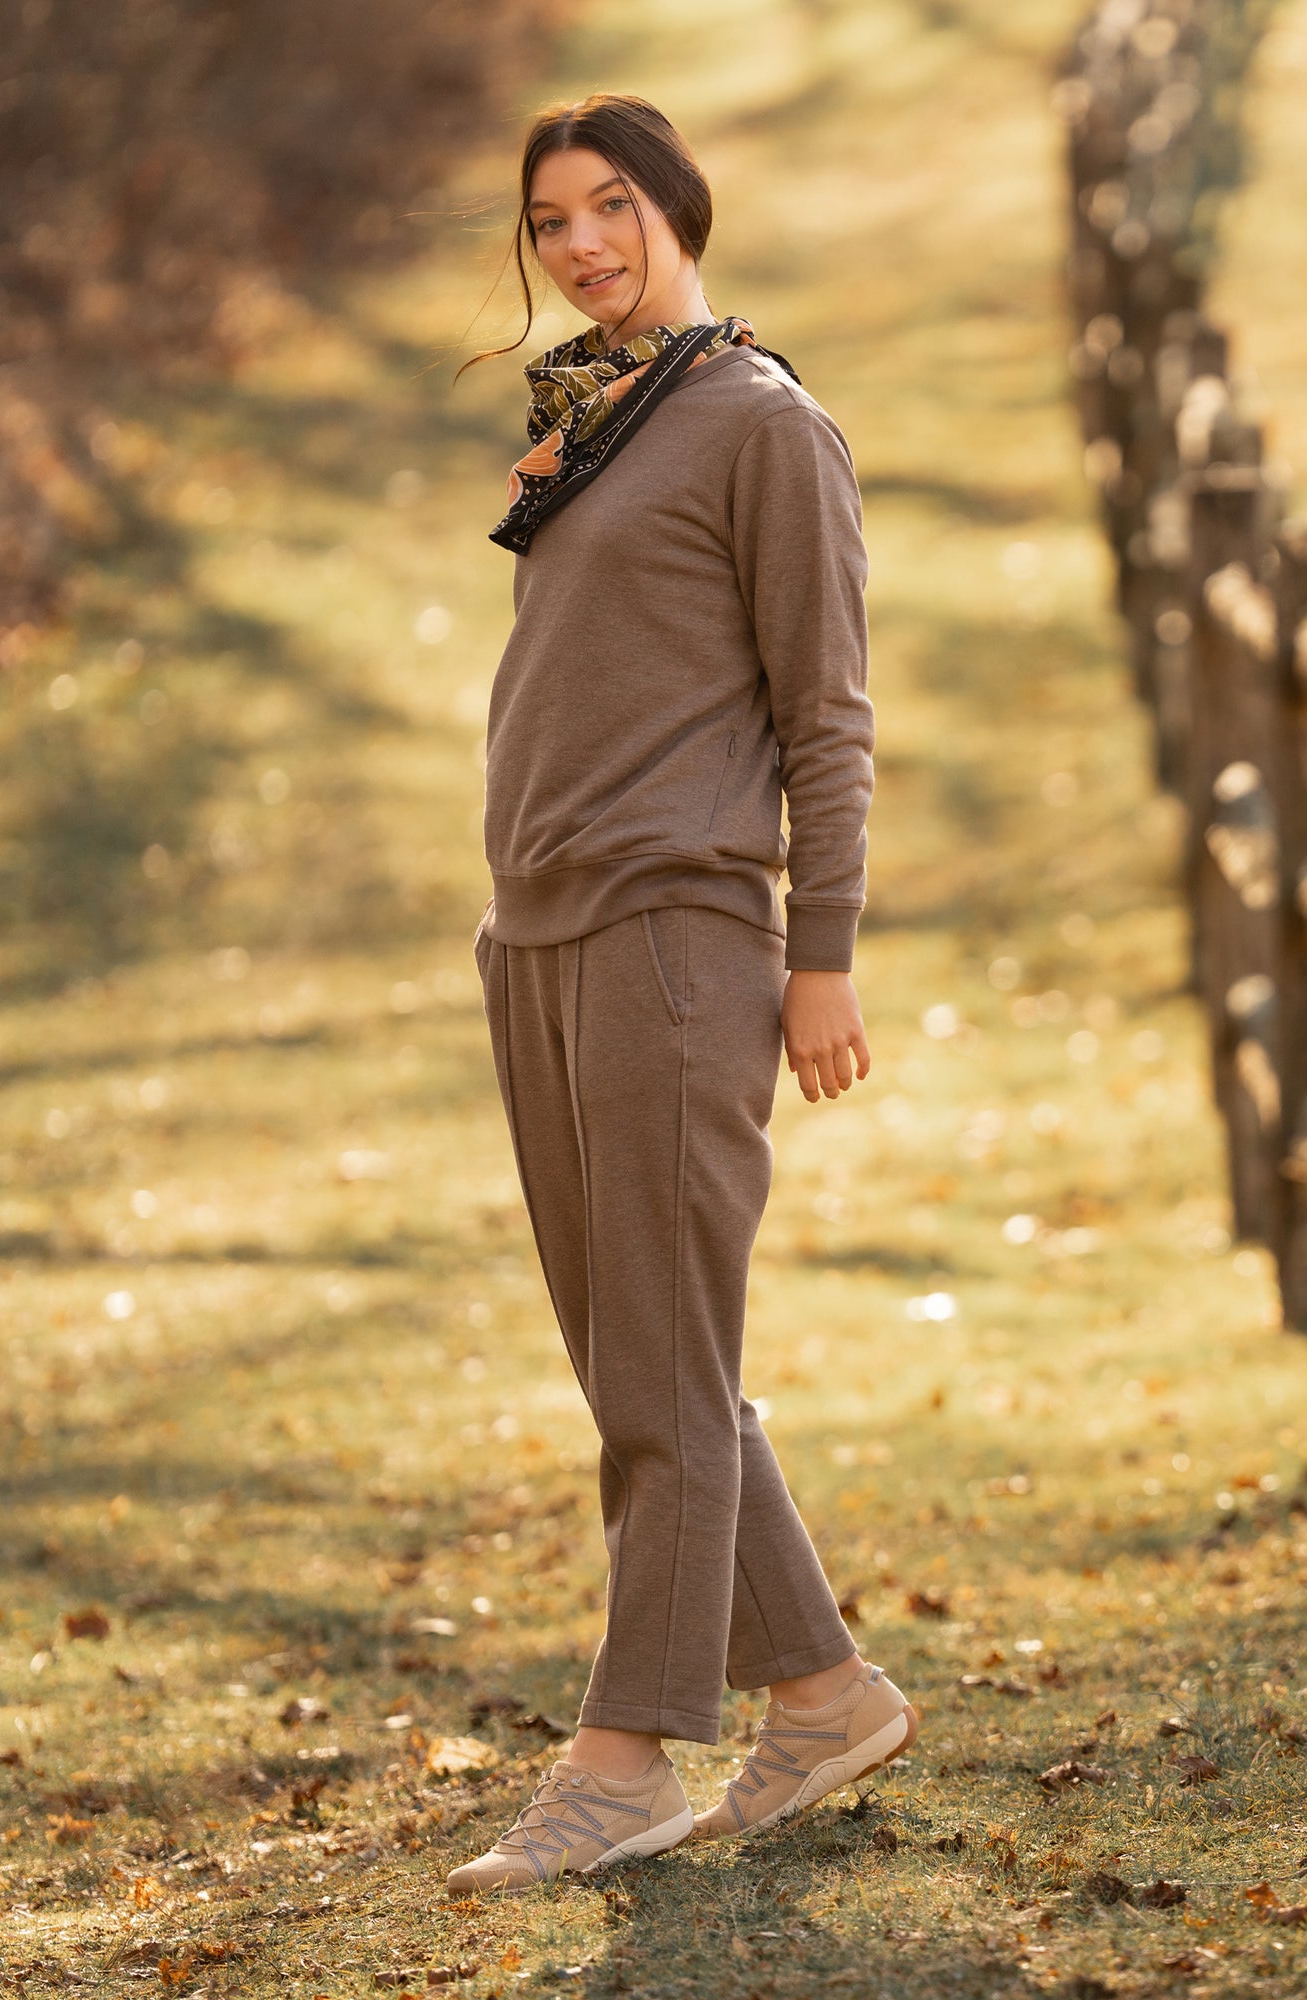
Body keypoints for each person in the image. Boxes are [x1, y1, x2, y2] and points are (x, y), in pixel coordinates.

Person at [447, 93, 917, 1893]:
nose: (578, 244)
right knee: (639, 1356)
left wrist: (823, 956)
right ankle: (820, 1696)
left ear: (680, 208)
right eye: (550, 218)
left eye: (612, 206)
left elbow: (829, 715)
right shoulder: (590, 424)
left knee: (658, 1362)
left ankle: (624, 1757)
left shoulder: (761, 425)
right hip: (540, 928)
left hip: (677, 930)